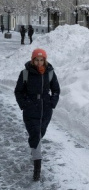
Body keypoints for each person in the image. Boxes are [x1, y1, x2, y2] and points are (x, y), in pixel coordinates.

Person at [14, 48, 60, 182]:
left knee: (39, 135)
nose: (39, 63)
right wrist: (24, 105)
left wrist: (52, 103)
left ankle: (35, 151)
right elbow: (18, 91)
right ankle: (37, 170)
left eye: (41, 60)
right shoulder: (25, 73)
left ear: (44, 61)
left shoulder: (50, 72)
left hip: (45, 110)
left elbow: (56, 90)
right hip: (30, 110)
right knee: (36, 136)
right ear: (32, 60)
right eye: (36, 60)